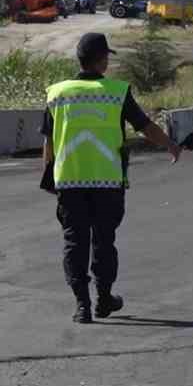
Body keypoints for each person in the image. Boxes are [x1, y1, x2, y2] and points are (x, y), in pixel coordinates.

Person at [39, 32, 182, 324]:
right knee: (104, 242)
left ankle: (82, 306)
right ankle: (104, 298)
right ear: (101, 60)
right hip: (107, 181)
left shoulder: (58, 93)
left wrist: (50, 176)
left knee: (74, 243)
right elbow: (144, 126)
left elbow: (49, 142)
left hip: (70, 181)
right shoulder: (116, 92)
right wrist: (170, 145)